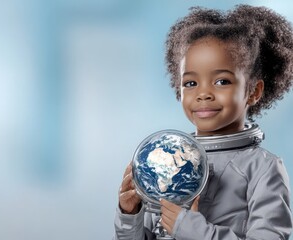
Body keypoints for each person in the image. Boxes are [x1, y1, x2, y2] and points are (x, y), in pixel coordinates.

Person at [114, 4, 293, 240]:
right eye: (190, 83)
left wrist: (194, 231)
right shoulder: (165, 161)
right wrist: (129, 215)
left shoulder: (262, 168)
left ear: (254, 91)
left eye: (221, 82)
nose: (203, 94)